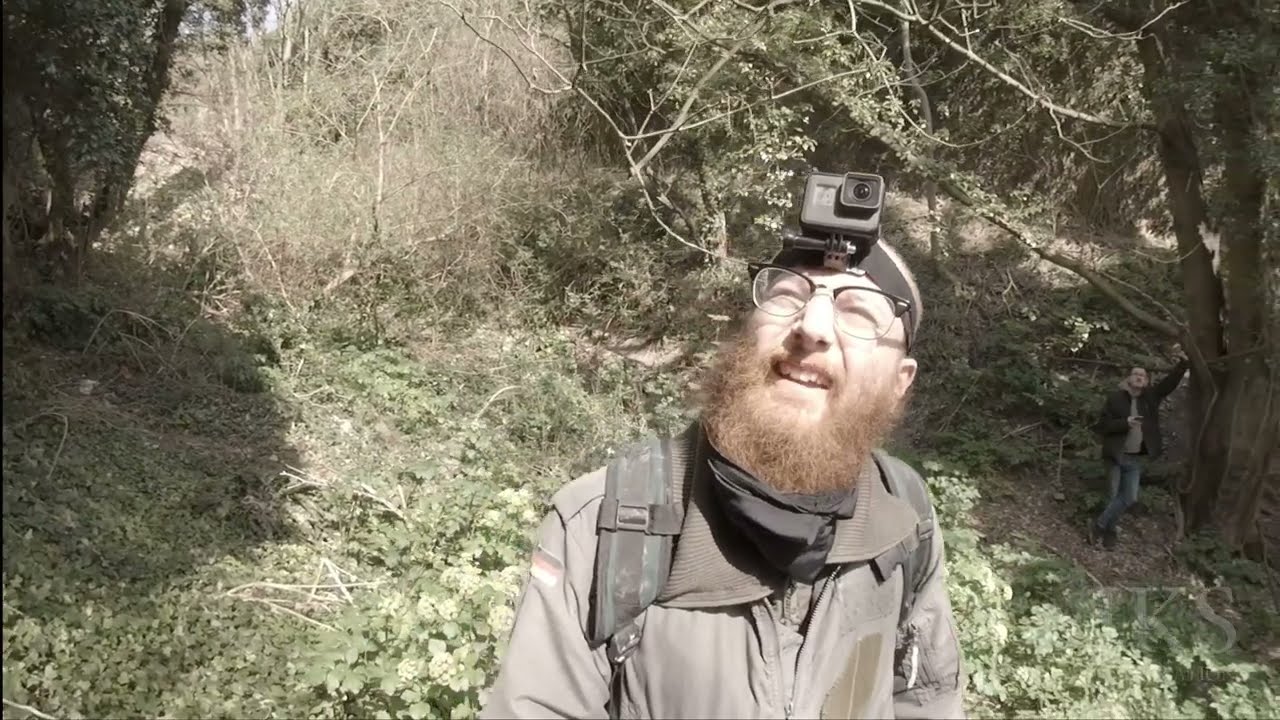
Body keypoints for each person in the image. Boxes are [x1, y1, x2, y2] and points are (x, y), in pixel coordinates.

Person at [480, 173, 966, 719]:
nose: (812, 326)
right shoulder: (603, 524)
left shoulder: (905, 516)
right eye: (788, 295)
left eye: (858, 314)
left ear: (900, 382)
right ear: (744, 335)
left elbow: (926, 698)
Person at [1088, 358, 1189, 550]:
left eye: (1143, 375)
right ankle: (1110, 533)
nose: (1139, 377)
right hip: (1115, 455)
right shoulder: (1115, 398)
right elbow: (1102, 426)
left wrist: (1183, 364)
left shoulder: (1150, 398)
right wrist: (1125, 423)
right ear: (1128, 379)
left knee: (1129, 498)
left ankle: (1099, 525)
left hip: (1134, 458)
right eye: (1135, 374)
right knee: (1112, 495)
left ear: (1146, 381)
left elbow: (1168, 384)